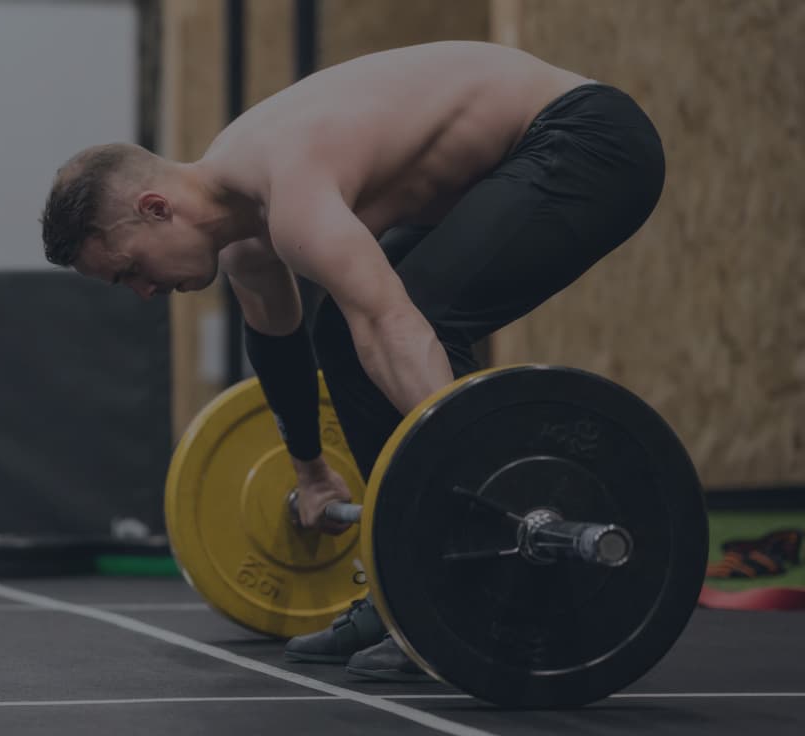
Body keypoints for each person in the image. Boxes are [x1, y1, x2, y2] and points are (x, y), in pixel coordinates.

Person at [38, 40, 664, 680]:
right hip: (508, 165)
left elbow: (396, 328)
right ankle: (406, 590)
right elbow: (283, 350)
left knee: (414, 318)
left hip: (588, 142)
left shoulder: (289, 189)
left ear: (156, 208)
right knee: (340, 332)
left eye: (130, 271)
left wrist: (486, 495)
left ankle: (468, 585)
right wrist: (311, 473)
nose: (144, 292)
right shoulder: (246, 236)